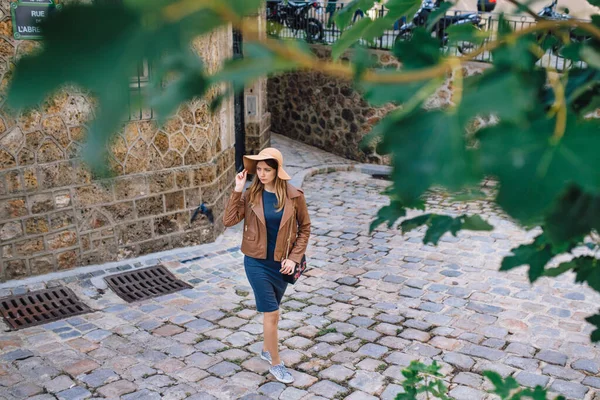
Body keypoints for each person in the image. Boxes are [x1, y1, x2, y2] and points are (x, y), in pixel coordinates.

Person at [223, 147, 311, 384]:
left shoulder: (294, 196)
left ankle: (266, 349)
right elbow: (228, 220)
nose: (261, 174)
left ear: (277, 171)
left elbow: (305, 228)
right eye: (258, 169)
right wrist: (238, 189)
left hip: (281, 265)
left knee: (272, 315)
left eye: (266, 170)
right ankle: (276, 363)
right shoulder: (252, 194)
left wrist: (293, 258)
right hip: (256, 262)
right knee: (272, 313)